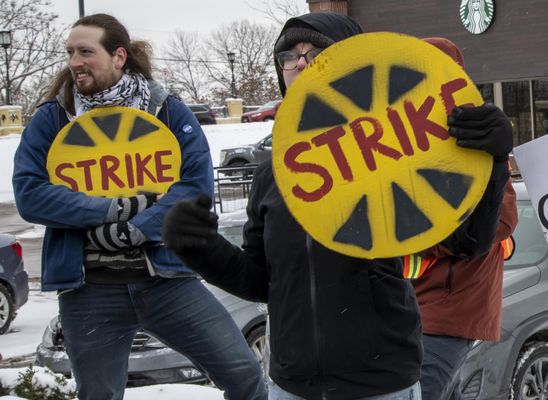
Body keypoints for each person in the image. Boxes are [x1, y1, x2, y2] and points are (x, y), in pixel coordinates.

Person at [160, 12, 515, 400]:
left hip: (382, 384)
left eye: (315, 51)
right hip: (290, 386)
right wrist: (202, 249)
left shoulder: (392, 153)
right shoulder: (273, 174)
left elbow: (470, 241)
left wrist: (493, 162)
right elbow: (262, 280)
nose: (299, 63)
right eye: (288, 56)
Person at [11, 13, 266, 400]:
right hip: (88, 290)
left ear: (118, 56)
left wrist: (138, 227)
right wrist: (113, 210)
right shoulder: (53, 118)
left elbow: (193, 189)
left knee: (245, 376)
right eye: (70, 53)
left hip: (167, 280)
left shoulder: (167, 111)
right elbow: (30, 193)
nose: (74, 61)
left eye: (85, 51)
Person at [413, 36, 519, 400]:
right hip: (411, 310)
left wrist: (434, 238)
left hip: (451, 310)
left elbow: (502, 221)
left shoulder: (481, 136)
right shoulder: (404, 146)